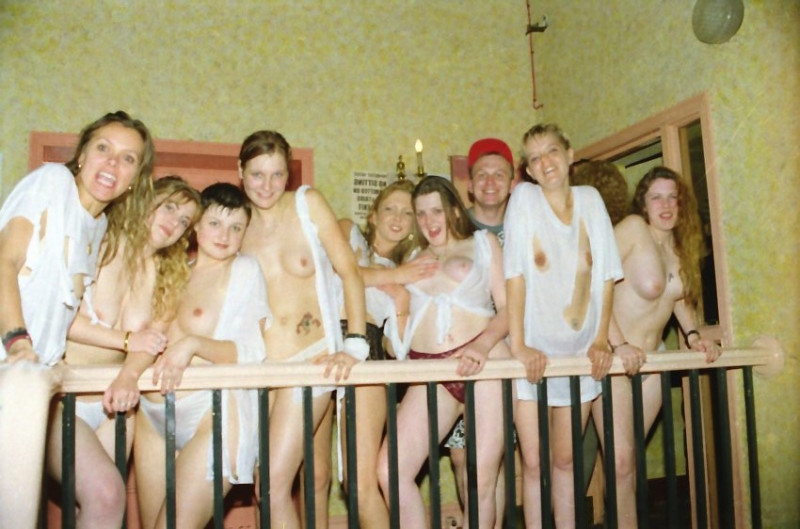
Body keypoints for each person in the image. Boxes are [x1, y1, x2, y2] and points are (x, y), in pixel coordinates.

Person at [0, 111, 154, 528]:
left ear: (135, 178)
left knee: (105, 493)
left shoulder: (97, 226)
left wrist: (124, 344)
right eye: (103, 148)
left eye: (128, 158)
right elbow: (4, 261)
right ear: (82, 155)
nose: (112, 163)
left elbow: (59, 313)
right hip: (10, 366)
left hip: (40, 383)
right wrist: (18, 342)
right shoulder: (52, 183)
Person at [113, 182, 269, 528]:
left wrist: (193, 344)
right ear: (196, 224)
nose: (225, 235)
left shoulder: (243, 271)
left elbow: (254, 351)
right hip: (152, 415)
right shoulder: (172, 268)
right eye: (215, 223)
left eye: (236, 227)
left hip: (209, 413)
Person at [238, 130, 367, 529]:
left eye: (277, 174)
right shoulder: (238, 224)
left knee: (271, 485)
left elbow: (350, 272)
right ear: (240, 171)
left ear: (289, 174)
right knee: (274, 483)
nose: (267, 185)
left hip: (312, 361)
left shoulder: (307, 203)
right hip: (263, 372)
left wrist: (355, 345)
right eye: (257, 174)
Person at [53, 175, 199, 525]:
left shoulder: (168, 274)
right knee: (106, 492)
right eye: (169, 207)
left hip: (115, 402)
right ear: (148, 201)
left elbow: (153, 340)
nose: (175, 223)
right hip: (62, 397)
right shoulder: (100, 243)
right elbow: (60, 319)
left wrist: (129, 376)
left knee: (98, 507)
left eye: (184, 221)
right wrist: (128, 340)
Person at [505, 123, 622, 528]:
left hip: (579, 355)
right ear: (528, 170)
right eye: (535, 158)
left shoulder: (591, 200)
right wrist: (519, 345)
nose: (545, 162)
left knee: (567, 459)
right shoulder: (523, 200)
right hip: (534, 354)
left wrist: (601, 338)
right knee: (534, 462)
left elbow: (606, 275)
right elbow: (515, 274)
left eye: (552, 151)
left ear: (570, 155)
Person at [377, 175, 510, 528]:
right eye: (420, 214)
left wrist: (482, 345)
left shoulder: (482, 243)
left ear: (454, 210)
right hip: (431, 370)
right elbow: (397, 323)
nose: (429, 221)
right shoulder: (412, 257)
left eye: (436, 210)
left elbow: (508, 309)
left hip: (484, 362)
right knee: (391, 470)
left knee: (480, 475)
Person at [593, 166, 721, 528]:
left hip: (653, 362)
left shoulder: (679, 245)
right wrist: (618, 343)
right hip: (616, 360)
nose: (665, 205)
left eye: (672, 197)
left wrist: (693, 335)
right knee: (620, 462)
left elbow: (677, 298)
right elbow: (595, 281)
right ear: (643, 204)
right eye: (656, 197)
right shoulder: (633, 229)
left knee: (629, 461)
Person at [336, 179, 437, 528]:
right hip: (324, 347)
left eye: (407, 213)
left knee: (358, 483)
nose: (397, 218)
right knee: (317, 476)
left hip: (368, 355)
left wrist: (403, 299)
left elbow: (397, 347)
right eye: (390, 209)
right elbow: (344, 272)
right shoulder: (347, 232)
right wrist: (396, 276)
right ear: (373, 215)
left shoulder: (407, 273)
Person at [447, 138, 515, 528]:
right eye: (482, 175)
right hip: (460, 355)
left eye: (499, 174)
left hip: (508, 353)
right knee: (461, 456)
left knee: (494, 456)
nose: (490, 182)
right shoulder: (456, 228)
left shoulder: (523, 228)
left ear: (512, 182)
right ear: (470, 185)